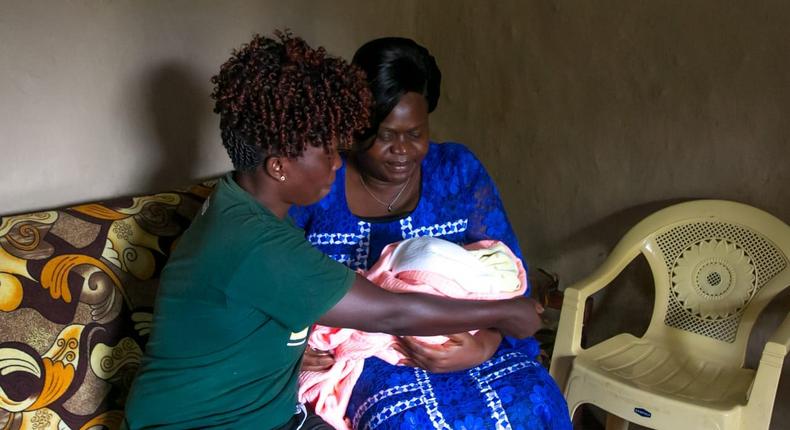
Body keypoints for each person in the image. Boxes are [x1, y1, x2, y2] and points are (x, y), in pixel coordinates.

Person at [122, 32, 542, 430]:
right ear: (279, 166)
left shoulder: (236, 203)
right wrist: (504, 312)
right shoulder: (258, 245)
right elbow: (390, 311)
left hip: (268, 416)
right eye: (326, 152)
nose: (339, 163)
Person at [290, 37, 572, 429]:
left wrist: (483, 346)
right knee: (412, 421)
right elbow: (270, 282)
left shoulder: (457, 172)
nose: (402, 150)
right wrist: (290, 347)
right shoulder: (319, 183)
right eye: (386, 135)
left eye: (415, 133)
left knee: (537, 400)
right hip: (362, 358)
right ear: (358, 126)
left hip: (469, 342)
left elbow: (505, 279)